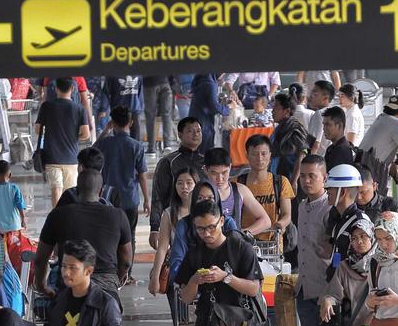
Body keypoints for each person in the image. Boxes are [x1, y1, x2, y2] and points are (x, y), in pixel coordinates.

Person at [35, 169, 133, 296]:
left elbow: (41, 258)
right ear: (101, 191)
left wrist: (42, 286)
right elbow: (126, 261)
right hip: (106, 285)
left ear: (76, 190)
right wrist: (116, 279)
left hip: (70, 285)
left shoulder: (57, 215)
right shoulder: (118, 215)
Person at [96, 106, 150, 273]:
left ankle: (110, 268)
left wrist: (105, 130)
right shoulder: (136, 146)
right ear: (131, 123)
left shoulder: (104, 144)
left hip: (108, 198)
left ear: (112, 122)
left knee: (108, 234)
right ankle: (127, 273)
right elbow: (142, 175)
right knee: (129, 236)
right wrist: (147, 199)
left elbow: (91, 151)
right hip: (129, 198)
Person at [295, 155, 332, 326]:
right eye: (302, 176)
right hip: (304, 289)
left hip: (324, 291)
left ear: (324, 178)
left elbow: (337, 256)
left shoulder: (330, 208)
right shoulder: (301, 206)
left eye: (312, 176)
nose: (306, 181)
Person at [149, 167, 200, 318]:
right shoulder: (169, 213)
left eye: (189, 183)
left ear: (197, 184)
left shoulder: (205, 210)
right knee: (180, 321)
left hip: (201, 271)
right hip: (177, 273)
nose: (184, 187)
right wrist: (155, 277)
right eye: (180, 183)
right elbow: (162, 248)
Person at [35, 77, 93, 206]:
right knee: (70, 193)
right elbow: (86, 134)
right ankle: (68, 219)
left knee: (56, 188)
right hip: (71, 158)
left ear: (56, 89)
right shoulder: (79, 109)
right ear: (73, 89)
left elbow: (38, 129)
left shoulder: (47, 106)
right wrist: (73, 136)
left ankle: (56, 217)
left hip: (52, 157)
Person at [148, 116, 206, 244]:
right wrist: (154, 228)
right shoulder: (168, 162)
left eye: (199, 131)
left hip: (204, 222)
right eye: (191, 131)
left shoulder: (206, 162)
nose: (196, 134)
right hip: (176, 222)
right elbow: (158, 196)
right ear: (180, 135)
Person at [204, 147, 271, 236]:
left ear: (230, 167)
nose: (220, 179)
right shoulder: (200, 193)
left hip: (234, 245)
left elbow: (266, 221)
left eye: (224, 172)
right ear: (205, 170)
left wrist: (241, 233)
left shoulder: (240, 190)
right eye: (214, 173)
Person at [360, 94, 398, 191]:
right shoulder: (397, 123)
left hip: (361, 160)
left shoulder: (381, 118)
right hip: (373, 166)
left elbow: (386, 143)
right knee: (377, 197)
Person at [269, 92, 311, 187]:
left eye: (276, 107)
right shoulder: (278, 129)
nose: (272, 111)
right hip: (277, 176)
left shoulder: (295, 128)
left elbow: (301, 155)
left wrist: (294, 181)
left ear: (286, 111)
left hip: (289, 178)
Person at [188, 73, 227, 154]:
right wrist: (227, 109)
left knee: (196, 150)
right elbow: (214, 106)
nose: (222, 76)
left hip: (195, 118)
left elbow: (208, 100)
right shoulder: (210, 84)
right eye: (223, 74)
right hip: (204, 123)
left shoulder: (201, 79)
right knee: (204, 152)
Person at [0, 160, 28, 235]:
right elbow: (20, 205)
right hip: (14, 225)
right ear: (10, 175)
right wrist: (23, 218)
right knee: (14, 246)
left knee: (2, 246)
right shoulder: (14, 188)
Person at [141, 75, 175, 153]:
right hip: (165, 82)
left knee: (150, 116)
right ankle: (167, 145)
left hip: (150, 83)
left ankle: (151, 147)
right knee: (166, 115)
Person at [322, 106, 357, 176]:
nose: (324, 128)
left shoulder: (341, 150)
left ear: (340, 126)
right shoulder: (332, 148)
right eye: (324, 125)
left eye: (328, 125)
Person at [306, 80, 337, 154]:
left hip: (317, 160)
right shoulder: (333, 112)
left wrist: (307, 162)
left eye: (315, 94)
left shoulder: (319, 114)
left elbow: (315, 144)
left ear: (325, 98)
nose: (311, 96)